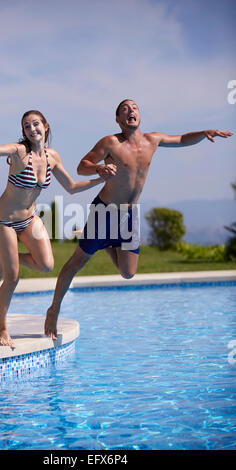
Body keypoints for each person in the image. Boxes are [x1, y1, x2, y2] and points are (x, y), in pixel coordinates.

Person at [45, 98, 233, 339]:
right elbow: (83, 166)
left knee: (128, 273)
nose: (130, 111)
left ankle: (106, 244)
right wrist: (99, 169)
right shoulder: (110, 142)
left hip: (129, 215)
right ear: (118, 119)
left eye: (134, 108)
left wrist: (204, 132)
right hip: (105, 211)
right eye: (124, 109)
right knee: (75, 264)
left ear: (139, 116)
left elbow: (182, 139)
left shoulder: (152, 140)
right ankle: (54, 310)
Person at [0, 110, 103, 348]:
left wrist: (102, 178)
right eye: (27, 126)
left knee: (46, 265)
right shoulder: (18, 152)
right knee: (12, 278)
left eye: (36, 124)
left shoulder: (52, 156)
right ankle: (1, 326)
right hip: (4, 220)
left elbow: (73, 187)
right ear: (24, 131)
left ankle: (9, 260)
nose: (32, 129)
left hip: (29, 219)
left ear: (45, 126)